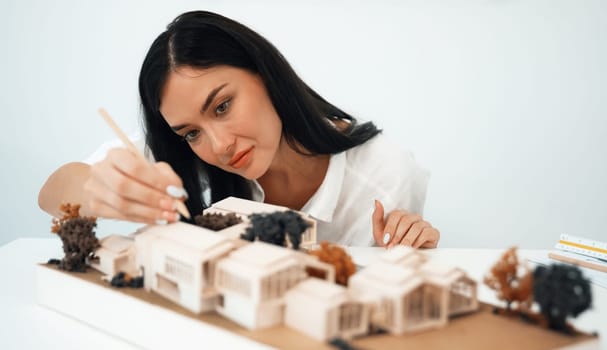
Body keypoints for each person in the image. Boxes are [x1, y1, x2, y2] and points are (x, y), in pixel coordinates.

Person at [38, 10, 439, 248]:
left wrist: (410, 250)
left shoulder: (384, 174)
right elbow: (53, 192)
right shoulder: (179, 161)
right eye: (190, 132)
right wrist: (98, 192)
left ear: (265, 75)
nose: (219, 146)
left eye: (223, 106)